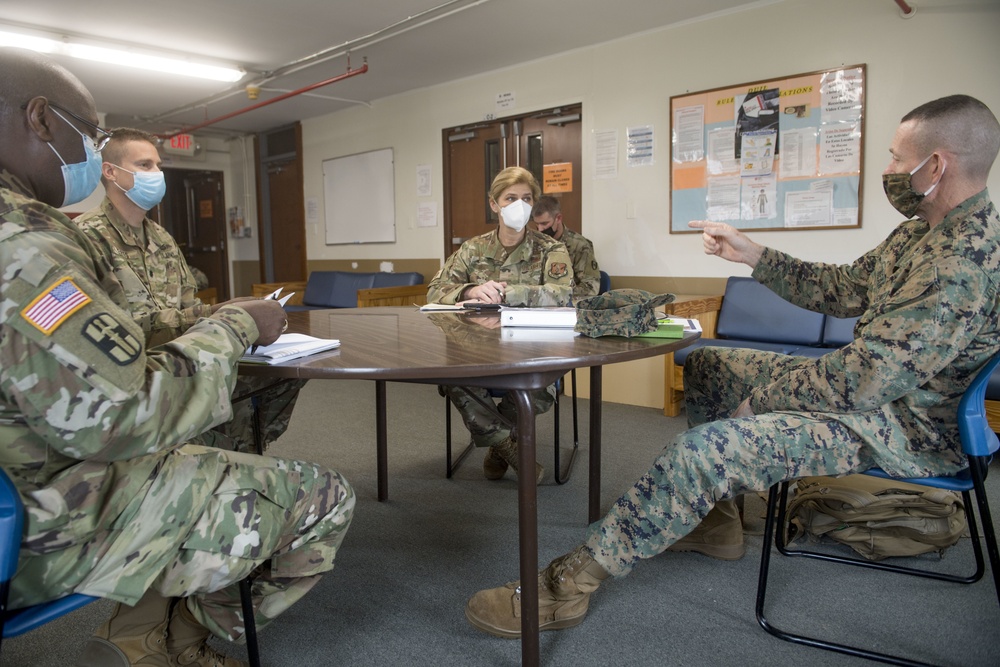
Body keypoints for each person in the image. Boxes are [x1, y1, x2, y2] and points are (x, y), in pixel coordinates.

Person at [464, 94, 1000, 639]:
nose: (888, 169)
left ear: (935, 166)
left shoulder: (961, 260)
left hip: (909, 426)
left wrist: (761, 403)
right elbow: (843, 290)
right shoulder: (919, 234)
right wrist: (752, 254)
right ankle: (717, 521)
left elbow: (865, 377)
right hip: (876, 391)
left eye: (894, 157)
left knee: (702, 452)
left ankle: (566, 587)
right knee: (709, 366)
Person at [0, 47, 355, 667]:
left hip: (25, 464)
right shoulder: (30, 247)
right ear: (39, 119)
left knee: (254, 406)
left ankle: (147, 623)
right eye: (90, 134)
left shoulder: (148, 238)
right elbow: (121, 413)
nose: (92, 149)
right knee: (324, 494)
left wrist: (215, 324)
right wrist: (235, 324)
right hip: (45, 510)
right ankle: (175, 636)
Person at [73, 127, 305, 454]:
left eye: (158, 165)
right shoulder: (85, 238)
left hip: (189, 358)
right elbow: (112, 331)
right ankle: (214, 453)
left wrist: (221, 314)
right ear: (111, 172)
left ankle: (239, 450)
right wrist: (216, 313)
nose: (157, 174)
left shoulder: (162, 239)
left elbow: (189, 307)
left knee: (286, 373)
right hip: (135, 377)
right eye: (145, 165)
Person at [427, 166, 574, 483]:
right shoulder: (473, 249)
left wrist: (511, 292)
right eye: (510, 198)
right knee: (455, 378)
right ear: (494, 203)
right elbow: (435, 290)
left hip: (533, 347)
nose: (519, 205)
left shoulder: (550, 248)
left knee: (541, 382)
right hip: (478, 347)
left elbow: (562, 294)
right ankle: (511, 449)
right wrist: (469, 290)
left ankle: (497, 447)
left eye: (526, 198)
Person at [531, 195, 601, 298]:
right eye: (537, 224)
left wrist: (558, 296)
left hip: (567, 305)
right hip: (536, 303)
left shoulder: (579, 245)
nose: (540, 229)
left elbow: (591, 288)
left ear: (558, 218)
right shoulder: (535, 243)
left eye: (544, 223)